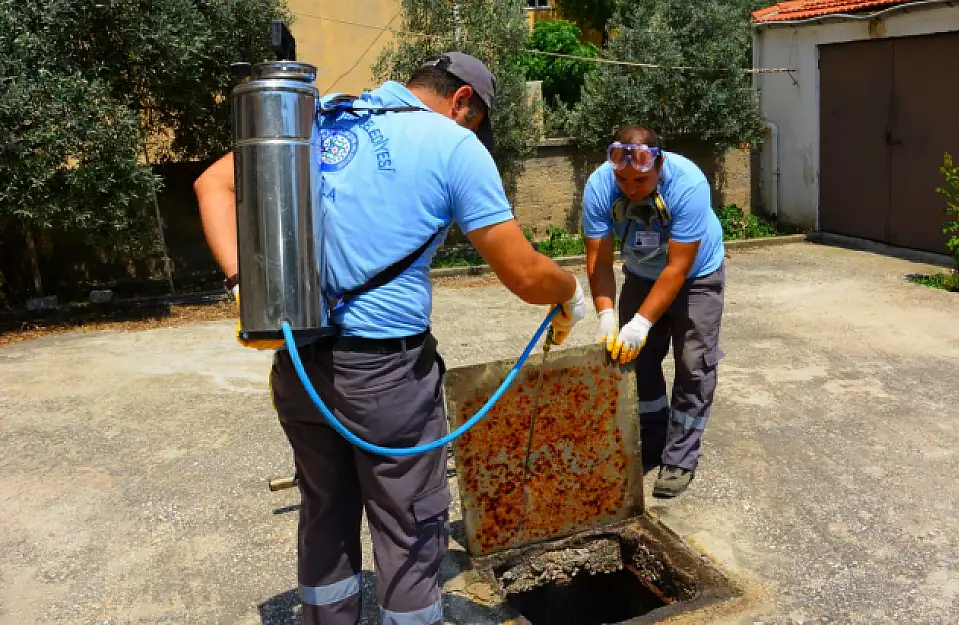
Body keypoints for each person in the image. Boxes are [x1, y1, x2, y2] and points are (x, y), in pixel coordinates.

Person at [193, 52, 586, 625]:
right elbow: (524, 275)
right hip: (387, 378)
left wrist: (242, 286)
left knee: (325, 510)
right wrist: (569, 291)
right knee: (408, 522)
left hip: (298, 362)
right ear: (462, 102)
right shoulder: (452, 144)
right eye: (475, 121)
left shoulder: (321, 115)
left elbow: (211, 184)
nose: (472, 131)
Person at [581, 125, 726, 499]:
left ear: (658, 164)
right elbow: (598, 261)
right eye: (623, 178)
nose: (630, 187)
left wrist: (640, 323)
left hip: (697, 275)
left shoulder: (688, 184)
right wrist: (607, 317)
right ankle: (653, 438)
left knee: (694, 362)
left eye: (641, 179)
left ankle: (680, 457)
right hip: (642, 273)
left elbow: (677, 268)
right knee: (635, 359)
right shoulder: (600, 186)